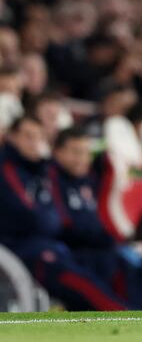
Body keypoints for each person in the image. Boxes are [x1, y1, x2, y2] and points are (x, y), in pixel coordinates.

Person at [0, 115, 128, 310]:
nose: (34, 143)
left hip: (51, 244)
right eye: (28, 137)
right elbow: (31, 216)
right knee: (75, 277)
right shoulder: (8, 169)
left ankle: (130, 312)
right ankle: (124, 315)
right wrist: (53, 223)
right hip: (20, 248)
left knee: (112, 261)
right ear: (12, 137)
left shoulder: (39, 170)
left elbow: (52, 217)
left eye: (39, 137)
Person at [50, 126, 142, 309]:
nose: (82, 159)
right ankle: (126, 315)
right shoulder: (51, 179)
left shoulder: (88, 181)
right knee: (113, 263)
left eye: (86, 153)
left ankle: (135, 313)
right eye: (76, 152)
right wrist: (106, 239)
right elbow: (63, 224)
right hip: (72, 249)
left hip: (96, 246)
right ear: (57, 152)